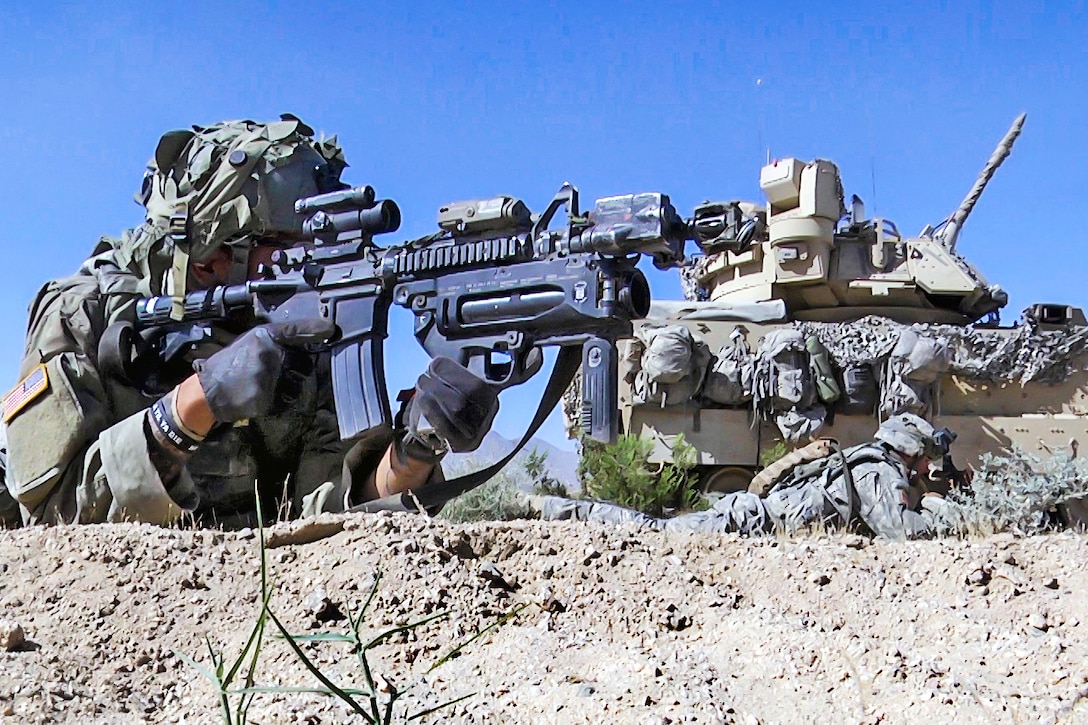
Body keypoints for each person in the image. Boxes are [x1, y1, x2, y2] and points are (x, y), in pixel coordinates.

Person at [2, 116, 498, 527]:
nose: (315, 260)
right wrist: (193, 406)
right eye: (288, 245)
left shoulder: (306, 328)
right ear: (211, 257)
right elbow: (51, 515)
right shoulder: (83, 314)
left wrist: (418, 448)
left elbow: (332, 509)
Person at [533, 413, 963, 540]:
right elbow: (906, 536)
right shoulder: (879, 473)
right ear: (909, 451)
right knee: (657, 532)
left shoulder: (866, 462)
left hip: (753, 513)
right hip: (752, 521)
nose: (928, 467)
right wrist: (940, 508)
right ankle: (556, 510)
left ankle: (558, 510)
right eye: (925, 457)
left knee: (660, 529)